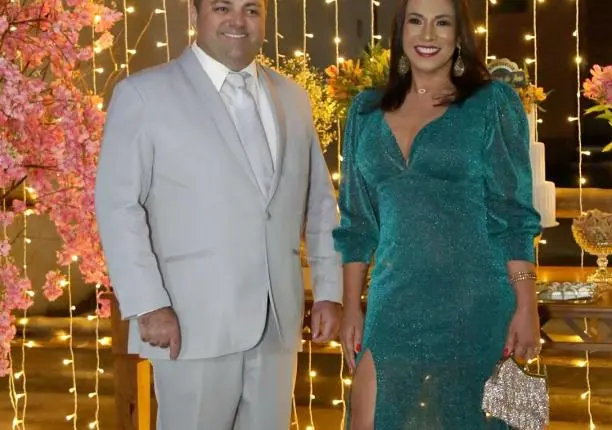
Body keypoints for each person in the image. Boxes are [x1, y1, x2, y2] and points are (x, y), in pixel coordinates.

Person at [94, 0, 342, 428]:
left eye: (251, 10)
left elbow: (319, 203)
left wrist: (328, 291)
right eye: (222, 8)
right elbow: (118, 205)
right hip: (189, 323)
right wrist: (148, 304)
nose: (237, 22)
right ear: (194, 15)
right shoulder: (144, 95)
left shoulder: (293, 98)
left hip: (277, 324)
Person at [333, 0, 543, 428]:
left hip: (478, 303)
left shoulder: (491, 103)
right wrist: (351, 307)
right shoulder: (365, 111)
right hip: (393, 301)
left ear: (459, 35)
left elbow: (513, 213)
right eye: (416, 21)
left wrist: (527, 305)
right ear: (400, 31)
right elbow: (356, 222)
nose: (427, 34)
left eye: (441, 23)